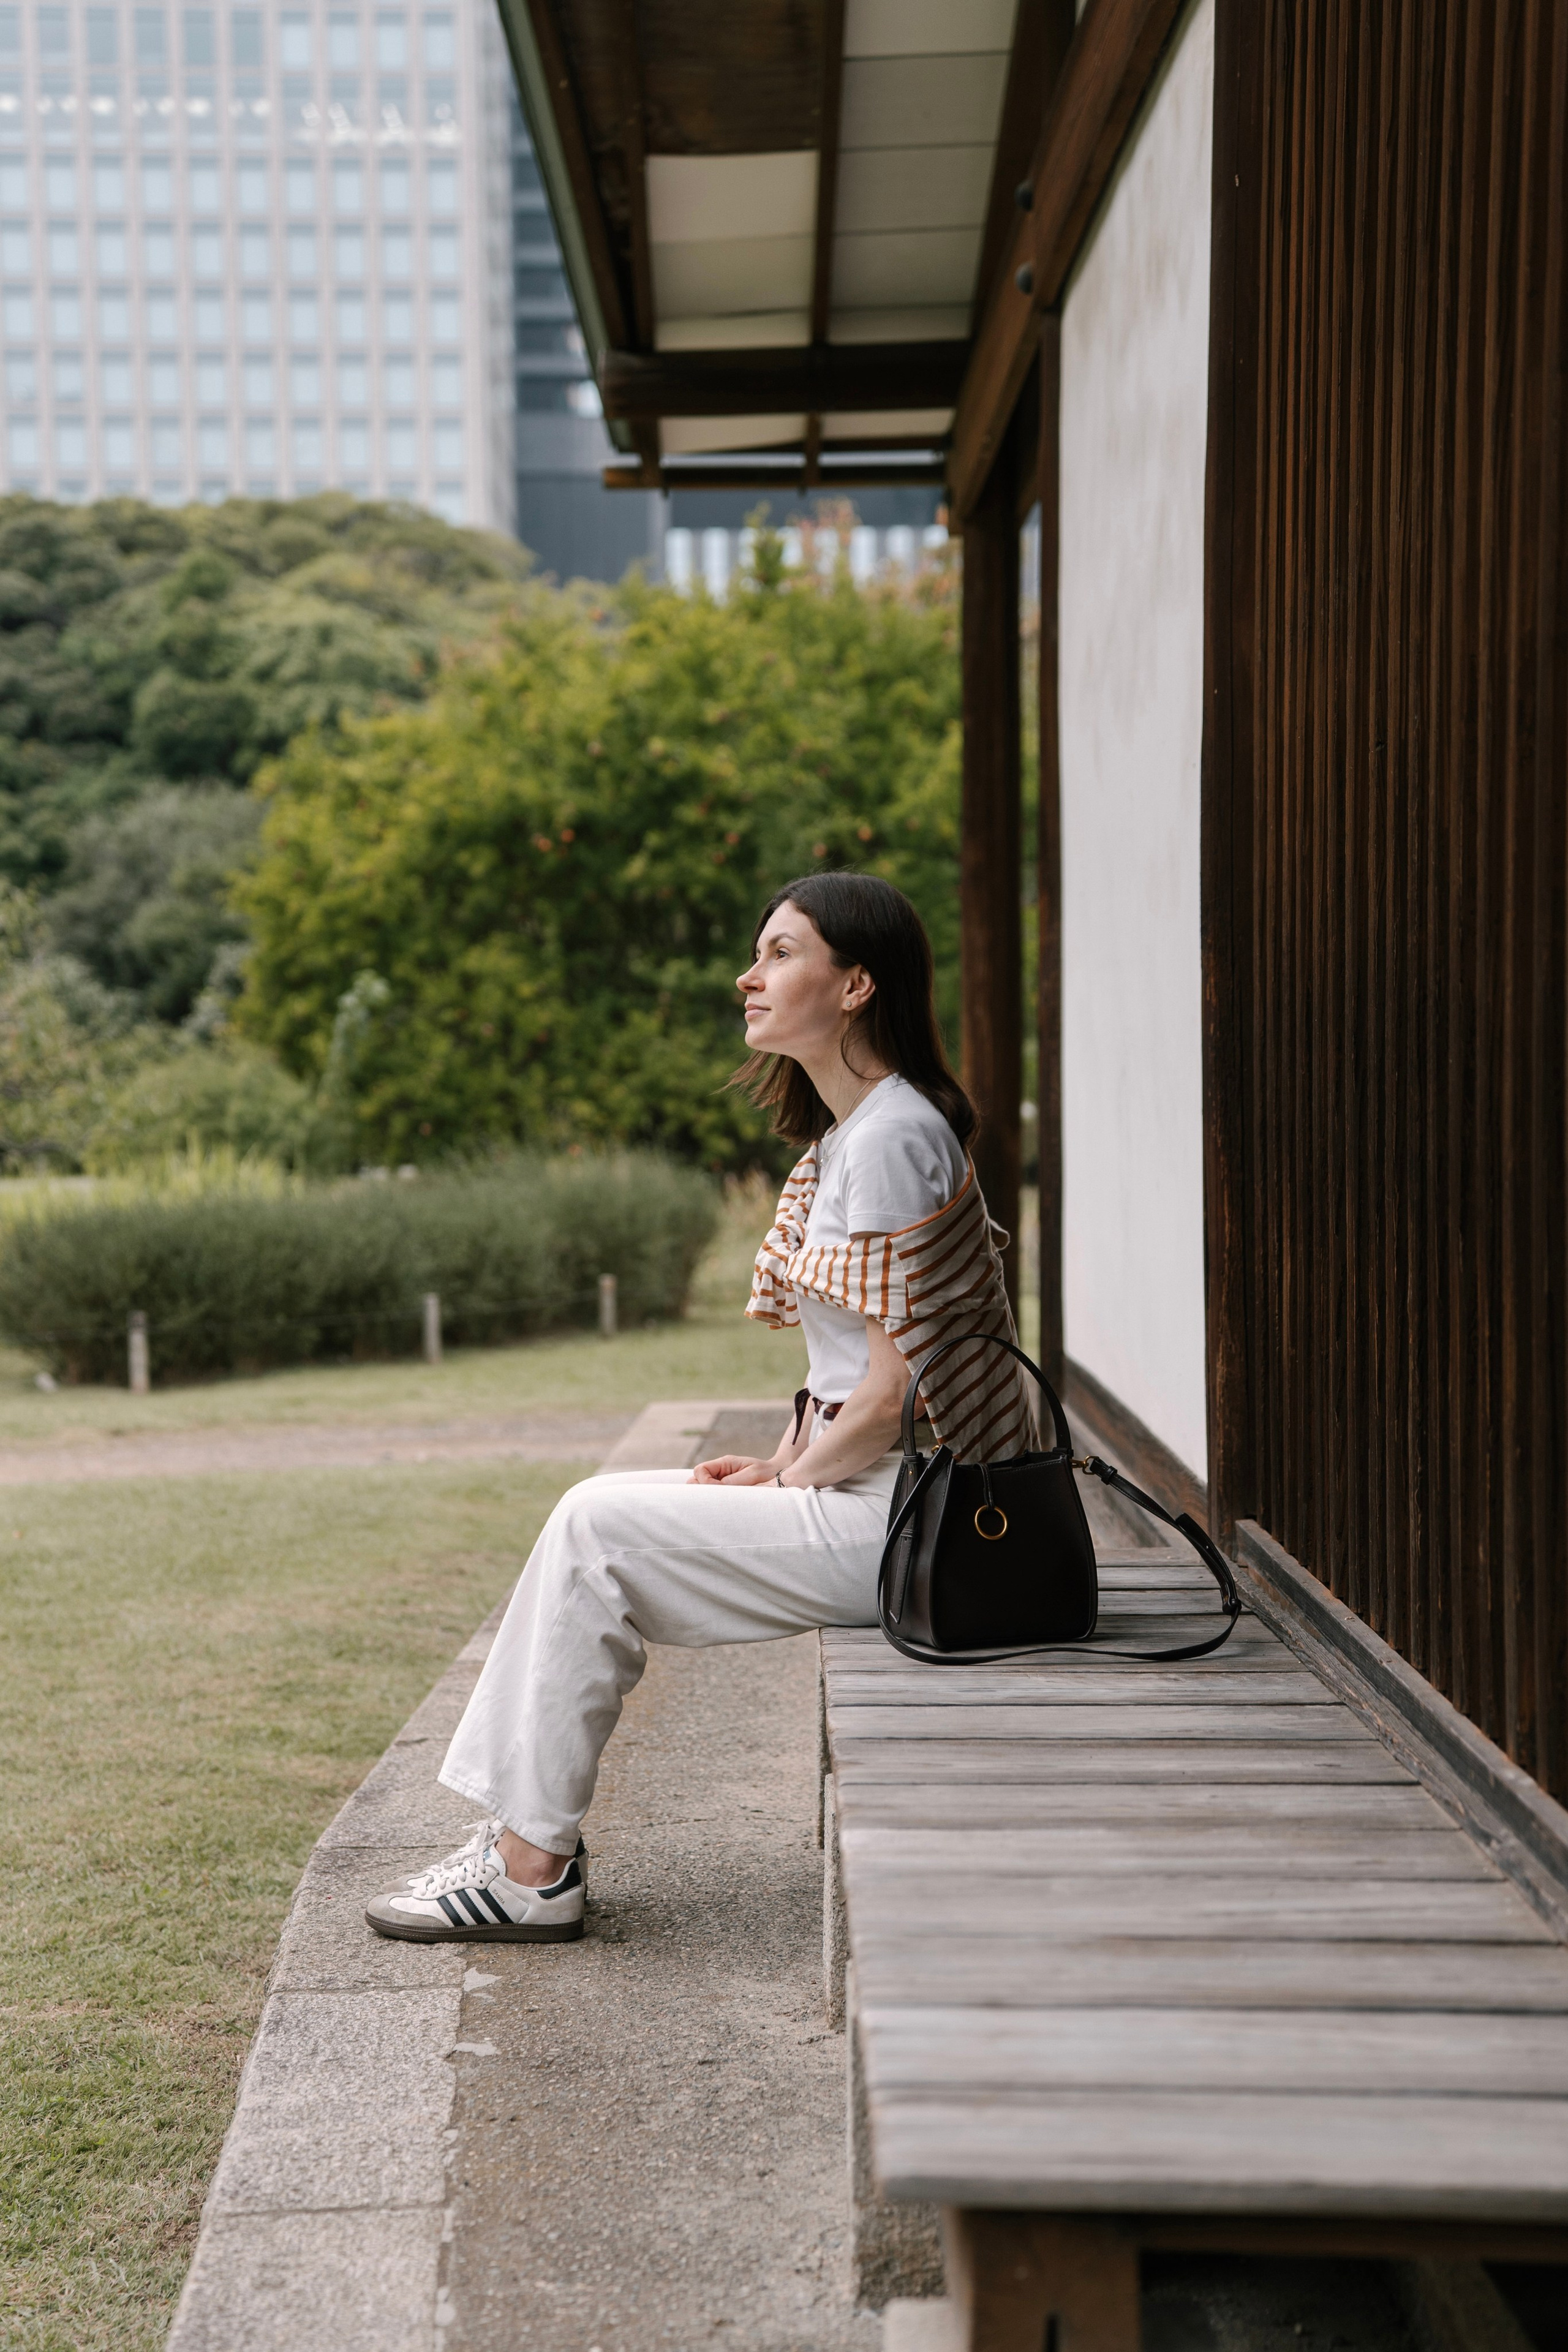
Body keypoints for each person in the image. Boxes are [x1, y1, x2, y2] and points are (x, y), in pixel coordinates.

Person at [366, 873, 1033, 1944]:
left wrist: (789, 1478)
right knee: (591, 1517)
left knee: (596, 1525)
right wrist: (781, 1463)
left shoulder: (893, 1138)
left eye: (779, 952)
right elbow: (840, 1379)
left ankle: (528, 1866)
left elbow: (898, 1393)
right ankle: (518, 1850)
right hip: (887, 1501)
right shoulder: (854, 1135)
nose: (748, 973)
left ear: (857, 984)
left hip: (921, 1523)